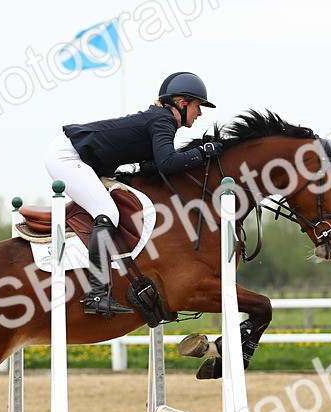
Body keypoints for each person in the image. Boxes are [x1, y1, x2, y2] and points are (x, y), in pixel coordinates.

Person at [44, 71, 223, 316]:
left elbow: (153, 166)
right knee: (107, 212)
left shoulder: (160, 120)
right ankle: (96, 292)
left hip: (77, 156)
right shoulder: (163, 121)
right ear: (182, 103)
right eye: (198, 106)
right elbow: (167, 163)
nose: (200, 113)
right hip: (67, 156)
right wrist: (203, 152)